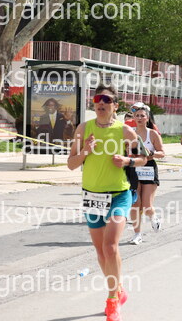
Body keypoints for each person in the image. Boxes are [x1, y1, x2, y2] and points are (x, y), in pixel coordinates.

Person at [67, 85, 147, 321]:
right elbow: (71, 164)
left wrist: (127, 161)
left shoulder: (125, 131)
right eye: (97, 99)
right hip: (92, 195)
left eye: (106, 99)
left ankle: (112, 300)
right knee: (101, 251)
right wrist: (85, 151)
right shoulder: (83, 128)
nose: (100, 102)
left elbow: (144, 158)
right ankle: (118, 289)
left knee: (111, 246)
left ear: (115, 106)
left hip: (118, 194)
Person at [128, 105, 165, 245]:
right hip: (134, 168)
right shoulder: (130, 133)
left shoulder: (152, 134)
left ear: (147, 118)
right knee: (135, 204)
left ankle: (153, 217)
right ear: (133, 118)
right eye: (137, 115)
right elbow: (124, 149)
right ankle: (137, 234)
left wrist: (152, 154)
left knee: (147, 206)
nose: (139, 118)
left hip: (149, 168)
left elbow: (162, 153)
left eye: (142, 116)